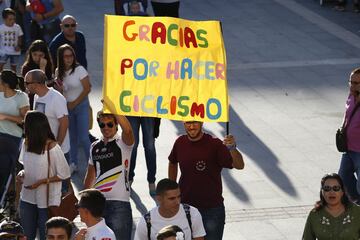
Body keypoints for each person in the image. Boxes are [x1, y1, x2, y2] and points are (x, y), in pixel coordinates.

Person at [168, 121, 244, 240]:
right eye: (188, 123)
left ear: (202, 122)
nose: (191, 126)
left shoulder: (215, 144)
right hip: (186, 209)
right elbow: (172, 161)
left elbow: (239, 165)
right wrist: (171, 188)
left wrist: (232, 148)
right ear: (183, 123)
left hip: (212, 211)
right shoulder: (180, 142)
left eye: (195, 123)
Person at [83, 100, 134, 240]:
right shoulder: (94, 146)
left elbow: (128, 130)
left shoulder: (123, 143)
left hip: (120, 204)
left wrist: (114, 107)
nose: (106, 127)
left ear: (116, 124)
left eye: (110, 124)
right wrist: (84, 201)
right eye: (102, 124)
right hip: (98, 205)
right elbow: (90, 174)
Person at [17, 111, 70, 240]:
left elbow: (64, 174)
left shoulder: (52, 147)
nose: (24, 126)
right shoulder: (26, 143)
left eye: (26, 124)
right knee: (26, 236)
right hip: (27, 197)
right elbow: (27, 167)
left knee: (46, 236)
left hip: (46, 201)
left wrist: (41, 182)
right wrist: (22, 173)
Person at [55, 44, 91, 173]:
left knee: (83, 137)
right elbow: (61, 92)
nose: (69, 59)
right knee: (72, 138)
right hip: (67, 107)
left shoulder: (80, 69)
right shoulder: (58, 71)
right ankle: (73, 163)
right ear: (61, 57)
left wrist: (75, 102)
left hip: (81, 105)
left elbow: (87, 88)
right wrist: (59, 89)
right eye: (66, 56)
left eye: (71, 56)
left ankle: (92, 165)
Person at [134, 178, 206, 240]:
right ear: (159, 199)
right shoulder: (146, 222)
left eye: (179, 196)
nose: (177, 202)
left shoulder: (192, 213)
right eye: (172, 198)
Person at [24, 69, 70, 163]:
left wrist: (57, 145)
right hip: (43, 149)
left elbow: (64, 123)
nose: (25, 86)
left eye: (27, 83)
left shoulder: (56, 98)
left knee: (60, 177)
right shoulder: (37, 97)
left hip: (58, 151)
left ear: (36, 84)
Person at [302, 173, 360, 239]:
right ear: (322, 192)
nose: (331, 192)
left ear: (342, 192)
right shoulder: (315, 214)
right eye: (327, 188)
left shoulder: (357, 212)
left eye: (336, 188)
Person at [0, 70, 29, 197]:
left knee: (6, 169)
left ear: (5, 84)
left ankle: (6, 196)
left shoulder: (21, 97)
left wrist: (6, 117)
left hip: (12, 138)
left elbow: (26, 119)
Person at [338, 67, 360, 203]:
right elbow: (347, 114)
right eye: (351, 82)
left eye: (356, 83)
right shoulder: (351, 96)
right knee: (343, 178)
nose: (352, 85)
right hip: (348, 149)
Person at [127, 115, 157, 195]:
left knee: (149, 145)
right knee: (132, 145)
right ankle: (129, 177)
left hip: (148, 109)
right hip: (131, 109)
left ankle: (151, 180)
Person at [21, 39, 54, 109]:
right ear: (31, 54)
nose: (37, 58)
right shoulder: (26, 67)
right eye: (35, 54)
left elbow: (49, 85)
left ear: (45, 55)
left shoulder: (48, 65)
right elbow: (37, 86)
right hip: (33, 100)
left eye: (40, 55)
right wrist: (42, 69)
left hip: (48, 99)